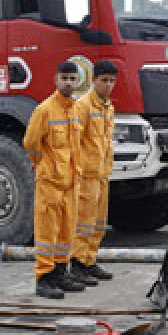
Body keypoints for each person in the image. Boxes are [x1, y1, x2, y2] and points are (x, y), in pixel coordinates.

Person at [25, 61, 85, 299]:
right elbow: (31, 143)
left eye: (72, 78)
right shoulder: (45, 110)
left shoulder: (76, 109)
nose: (68, 83)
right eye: (64, 78)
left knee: (66, 230)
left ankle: (61, 271)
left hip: (71, 180)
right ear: (56, 80)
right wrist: (41, 164)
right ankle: (44, 278)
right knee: (47, 231)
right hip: (51, 180)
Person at [70, 60, 119, 282]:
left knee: (99, 223)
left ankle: (90, 260)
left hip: (102, 173)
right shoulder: (82, 106)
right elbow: (74, 141)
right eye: (104, 81)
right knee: (84, 222)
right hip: (87, 174)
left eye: (112, 81)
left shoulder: (108, 107)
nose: (108, 85)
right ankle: (78, 264)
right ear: (93, 80)